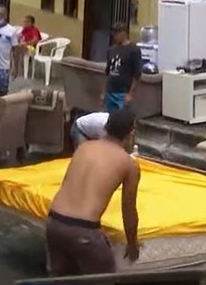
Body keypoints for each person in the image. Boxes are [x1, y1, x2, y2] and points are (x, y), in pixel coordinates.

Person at [46, 107, 141, 276]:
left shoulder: (84, 148)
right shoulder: (129, 164)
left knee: (62, 280)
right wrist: (132, 244)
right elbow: (129, 210)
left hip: (54, 223)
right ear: (131, 132)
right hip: (84, 231)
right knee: (103, 279)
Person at [100, 23, 142, 112]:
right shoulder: (111, 50)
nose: (115, 37)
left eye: (117, 34)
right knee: (109, 119)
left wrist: (130, 94)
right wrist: (104, 92)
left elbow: (136, 74)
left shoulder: (133, 50)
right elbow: (107, 72)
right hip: (110, 91)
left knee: (121, 119)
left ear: (123, 33)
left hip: (123, 92)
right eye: (114, 34)